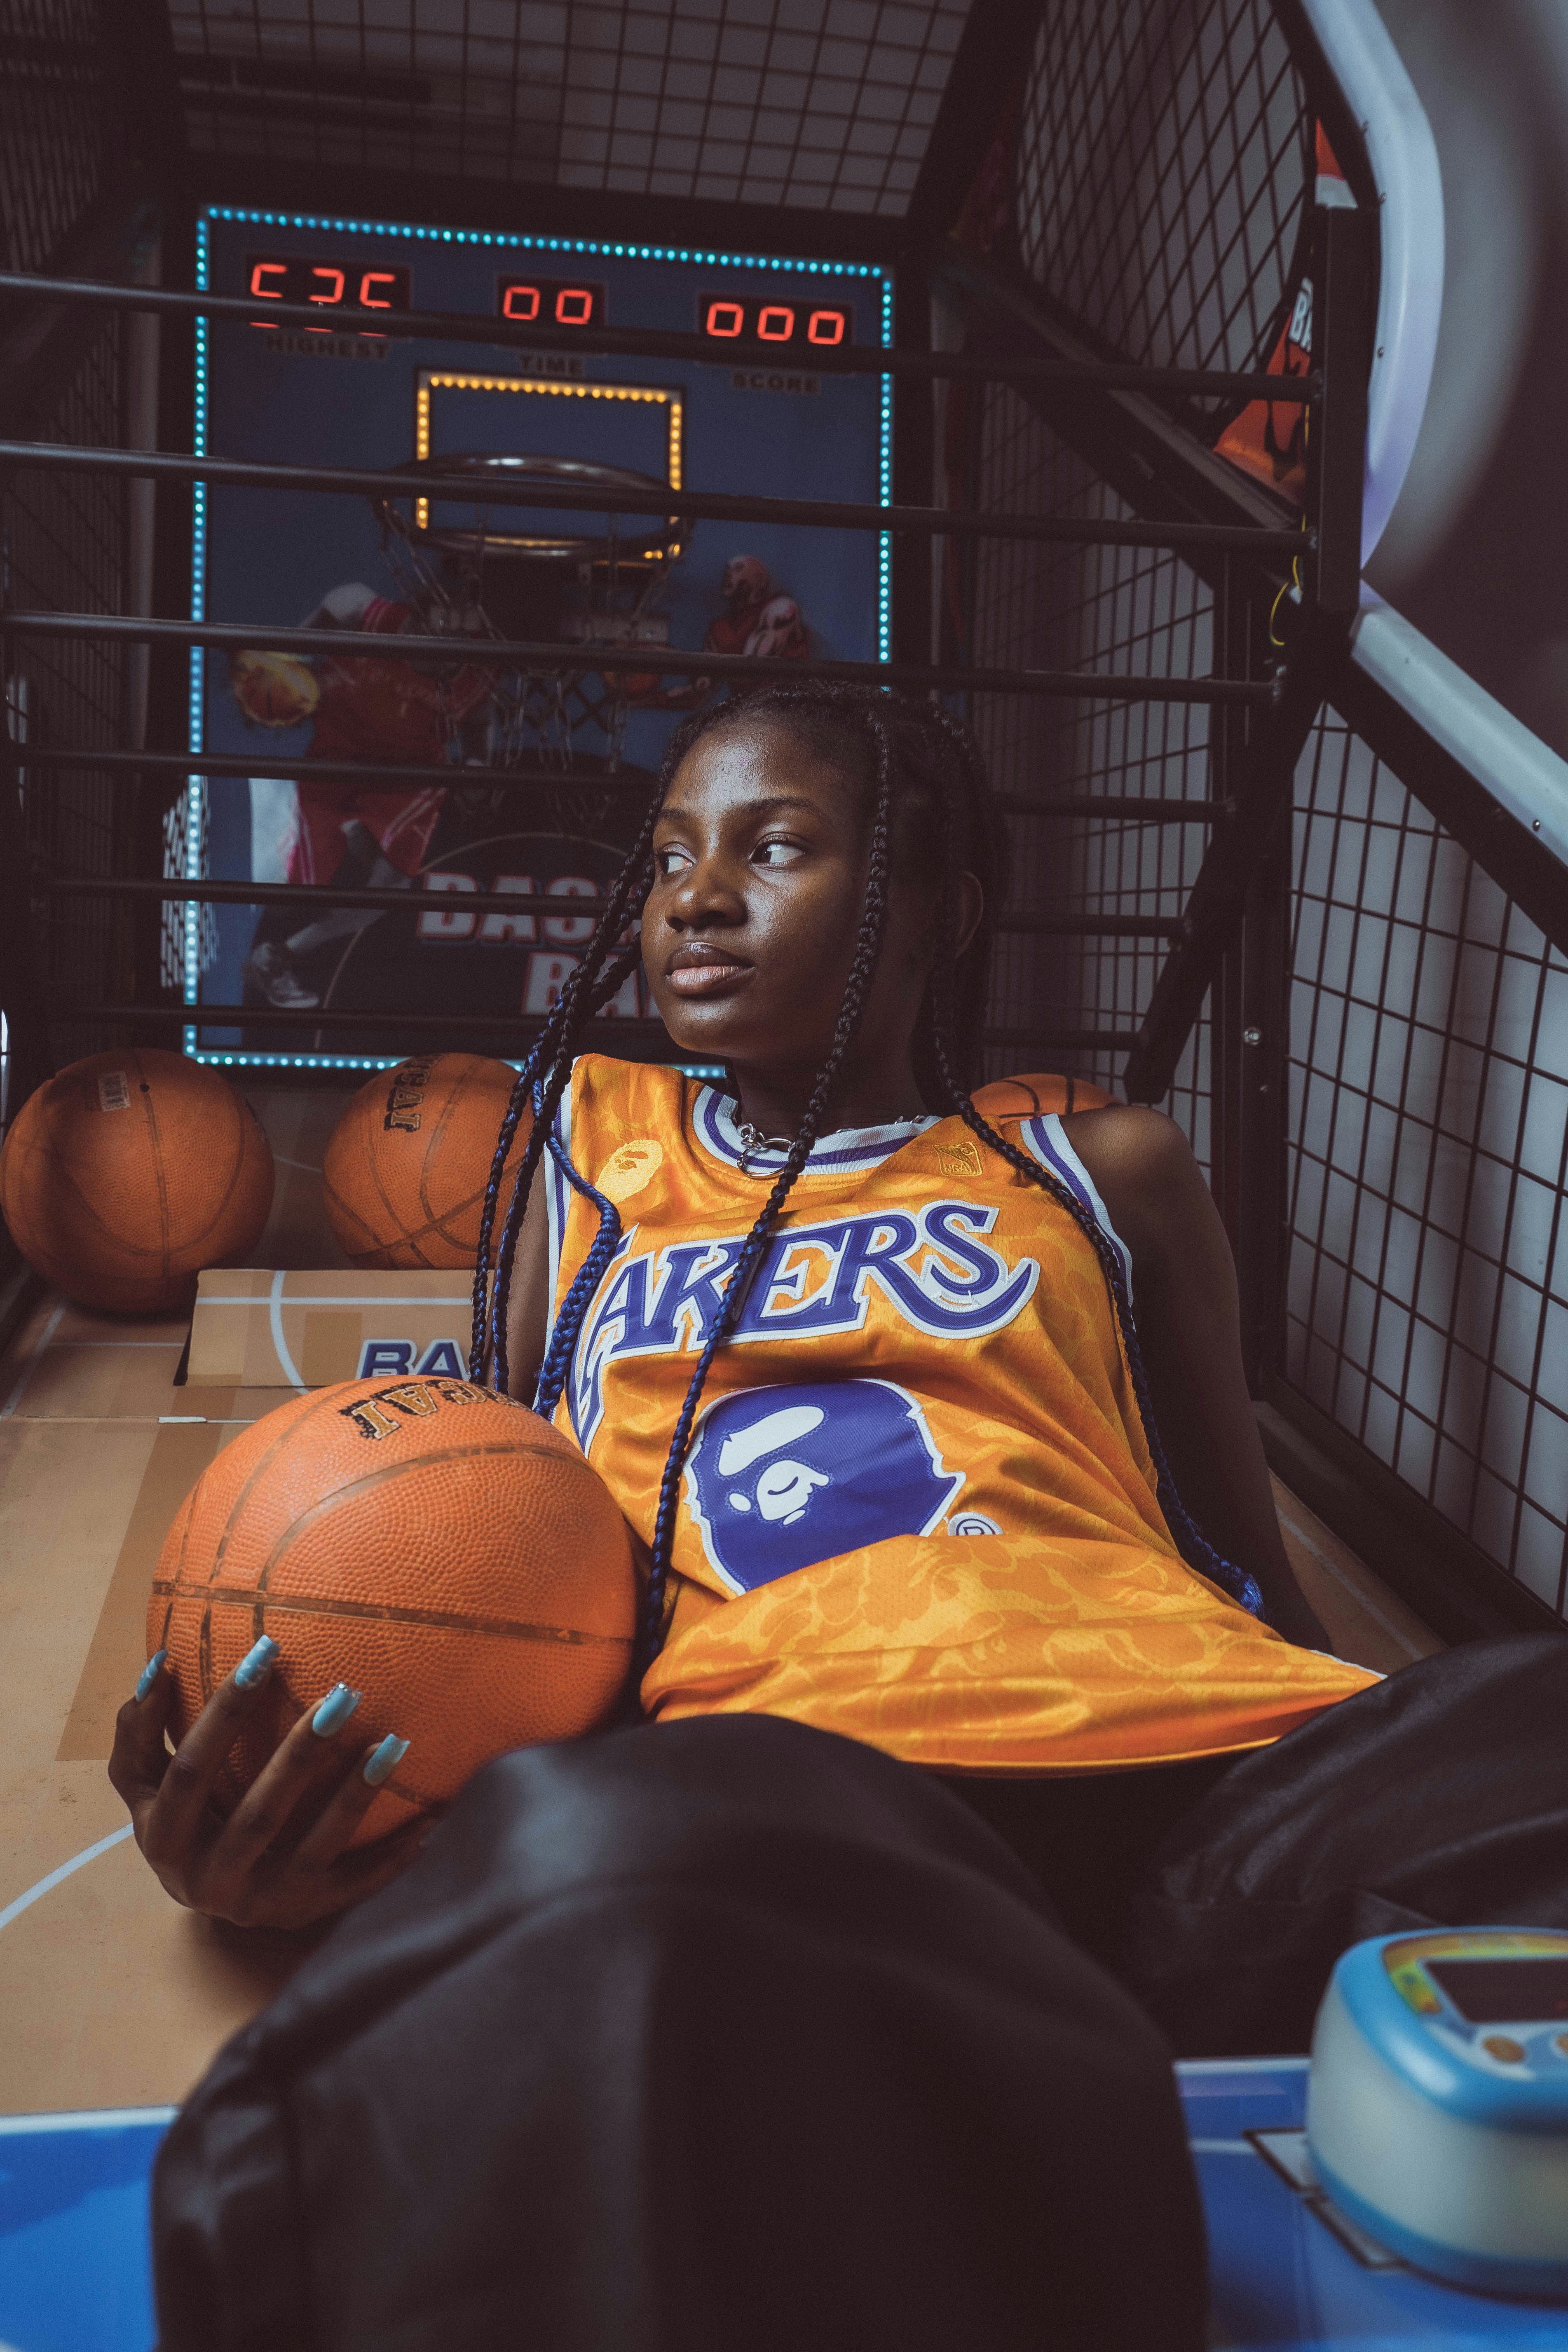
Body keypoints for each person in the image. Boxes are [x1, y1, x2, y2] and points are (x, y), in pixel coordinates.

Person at [114, 684, 1568, 2351]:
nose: (693, 897)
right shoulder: (587, 1146)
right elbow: (500, 1541)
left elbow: (1246, 1571)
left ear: (936, 903)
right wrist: (339, 1805)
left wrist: (1408, 1755)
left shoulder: (1100, 1167)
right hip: (809, 1801)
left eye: (774, 846)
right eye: (667, 857)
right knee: (589, 1868)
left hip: (1211, 1786)